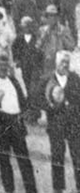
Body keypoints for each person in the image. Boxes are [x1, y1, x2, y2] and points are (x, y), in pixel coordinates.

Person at [0, 54, 38, 193]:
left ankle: (31, 190)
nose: (3, 69)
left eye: (6, 66)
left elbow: (23, 101)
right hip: (0, 126)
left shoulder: (14, 81)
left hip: (16, 123)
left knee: (24, 160)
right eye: (0, 66)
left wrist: (24, 113)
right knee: (4, 162)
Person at [45, 50, 80, 193]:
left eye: (67, 62)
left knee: (78, 156)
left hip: (74, 124)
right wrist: (51, 105)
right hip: (56, 125)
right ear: (56, 63)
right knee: (57, 157)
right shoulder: (46, 78)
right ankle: (58, 188)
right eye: (62, 62)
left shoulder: (76, 78)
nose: (65, 65)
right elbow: (36, 100)